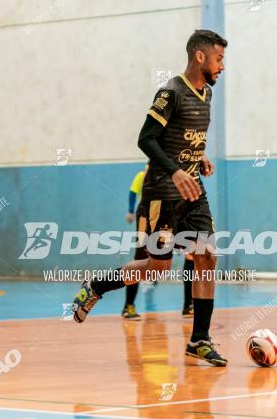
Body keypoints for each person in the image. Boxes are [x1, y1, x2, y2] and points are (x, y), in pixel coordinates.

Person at [71, 29, 227, 366]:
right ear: (199, 57)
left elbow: (182, 137)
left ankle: (199, 338)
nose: (222, 66)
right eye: (218, 59)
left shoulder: (207, 95)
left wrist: (196, 158)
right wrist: (175, 170)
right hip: (163, 192)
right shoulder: (170, 92)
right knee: (157, 267)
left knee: (208, 256)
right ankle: (97, 286)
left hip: (193, 190)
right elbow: (147, 139)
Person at [122, 165, 195, 320]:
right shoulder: (143, 174)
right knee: (141, 259)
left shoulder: (179, 172)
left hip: (173, 213)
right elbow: (133, 192)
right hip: (147, 214)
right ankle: (128, 305)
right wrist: (130, 210)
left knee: (191, 254)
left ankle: (188, 305)